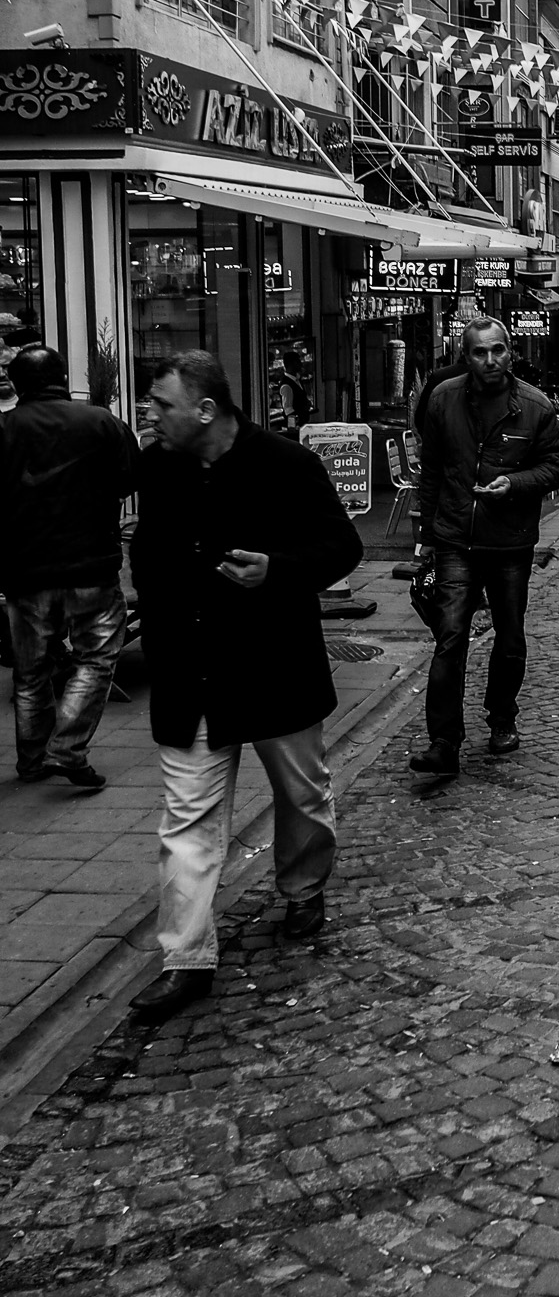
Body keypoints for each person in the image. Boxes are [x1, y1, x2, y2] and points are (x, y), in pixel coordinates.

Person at [126, 350, 363, 1022]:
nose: (150, 415)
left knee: (301, 794)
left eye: (162, 404)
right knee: (188, 820)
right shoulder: (159, 466)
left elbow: (341, 548)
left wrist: (276, 570)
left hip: (273, 666)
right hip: (192, 673)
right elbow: (148, 551)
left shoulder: (286, 464)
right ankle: (185, 959)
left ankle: (304, 887)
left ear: (206, 409)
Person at [410, 317, 559, 775]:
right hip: (455, 538)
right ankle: (444, 741)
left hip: (509, 542)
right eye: (480, 352)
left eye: (497, 350)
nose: (490, 360)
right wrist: (426, 540)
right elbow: (432, 469)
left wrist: (515, 484)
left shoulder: (534, 406)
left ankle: (502, 715)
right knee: (450, 637)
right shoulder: (443, 399)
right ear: (466, 356)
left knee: (510, 636)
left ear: (510, 351)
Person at [0, 345, 140, 789]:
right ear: (63, 378)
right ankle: (67, 748)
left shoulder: (5, 429)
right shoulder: (101, 422)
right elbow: (130, 478)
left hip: (25, 569)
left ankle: (32, 761)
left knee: (31, 671)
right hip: (90, 564)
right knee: (96, 656)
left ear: (17, 385)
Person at [273, 349, 312, 434]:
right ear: (292, 364)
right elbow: (288, 410)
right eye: (298, 361)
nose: (301, 364)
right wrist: (295, 428)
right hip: (297, 429)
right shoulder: (286, 385)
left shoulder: (297, 380)